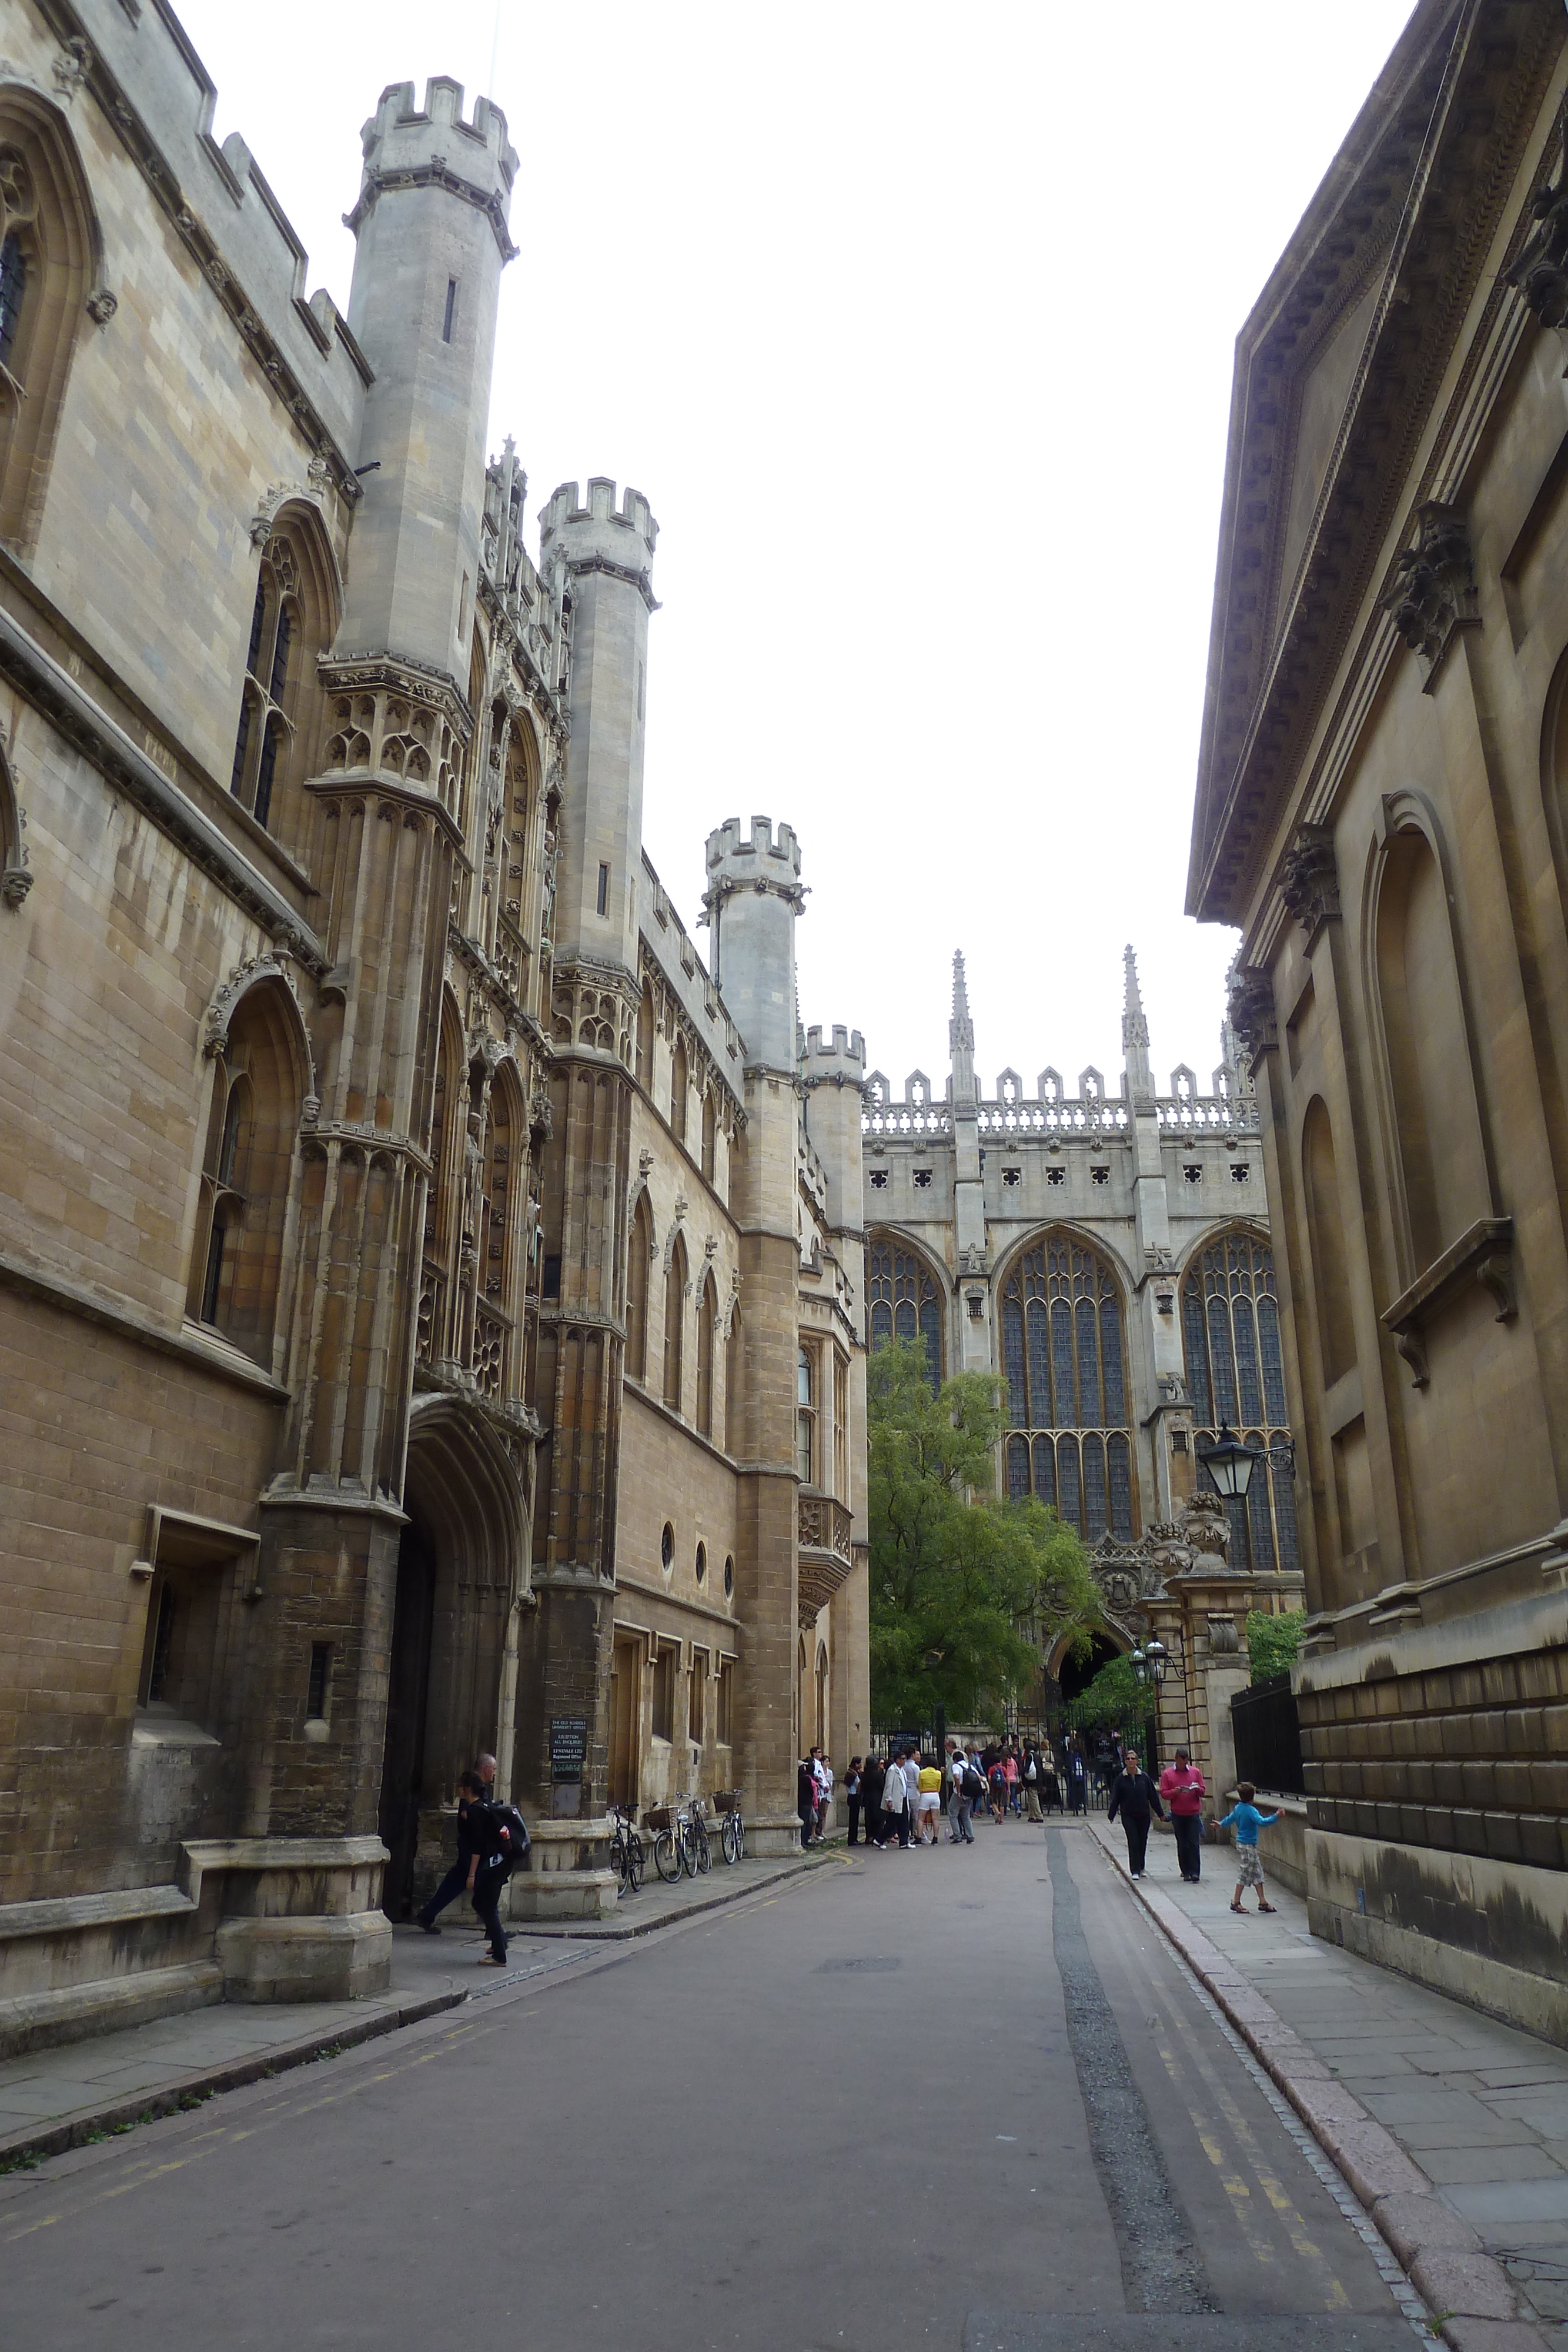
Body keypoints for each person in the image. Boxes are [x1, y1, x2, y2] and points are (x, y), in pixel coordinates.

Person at [416, 1769, 480, 1933]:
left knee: (454, 1883)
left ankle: (427, 1914)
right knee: (484, 1888)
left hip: (469, 1849)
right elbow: (468, 1819)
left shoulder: (477, 1794)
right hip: (471, 1850)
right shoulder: (472, 1796)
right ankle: (496, 1933)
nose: (495, 1773)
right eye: (493, 1769)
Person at [467, 1777, 512, 1967]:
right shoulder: (488, 1805)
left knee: (488, 1907)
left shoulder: (476, 1811)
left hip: (493, 1866)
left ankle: (500, 1955)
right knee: (480, 1903)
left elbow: (477, 1847)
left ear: (466, 1789)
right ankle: (499, 1941)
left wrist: (471, 1875)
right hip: (501, 1863)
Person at [1217, 1783, 1280, 1914]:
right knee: (1245, 1872)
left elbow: (1230, 1819)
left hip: (1244, 1844)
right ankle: (1235, 1902)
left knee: (1257, 1872)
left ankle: (1263, 1901)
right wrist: (1276, 1816)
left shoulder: (1238, 1808)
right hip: (1247, 1845)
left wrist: (1221, 1824)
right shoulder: (1251, 1810)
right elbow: (1262, 1822)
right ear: (1253, 1796)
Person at [1107, 1752, 1164, 1878]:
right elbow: (1116, 1798)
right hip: (1128, 1815)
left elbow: (1153, 1797)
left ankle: (1142, 1866)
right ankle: (1135, 1870)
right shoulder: (1121, 1779)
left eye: (1133, 1759)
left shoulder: (1144, 1778)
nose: (1131, 1761)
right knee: (1133, 1841)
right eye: (1128, 1759)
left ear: (1137, 1761)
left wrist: (1160, 1814)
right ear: (1126, 1762)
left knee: (1142, 1841)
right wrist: (1111, 1814)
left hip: (1143, 1815)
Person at [1159, 1748, 1207, 1883]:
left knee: (1194, 1843)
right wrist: (1175, 1792)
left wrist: (1197, 1789)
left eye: (1185, 1762)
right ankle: (1185, 1871)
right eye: (1181, 1762)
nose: (1183, 1764)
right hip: (1177, 1814)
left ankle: (1195, 1872)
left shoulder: (1195, 1772)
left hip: (1193, 1813)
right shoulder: (1168, 1774)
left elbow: (1203, 1790)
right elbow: (1164, 1793)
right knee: (1182, 1843)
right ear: (1176, 1759)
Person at [879, 1747, 910, 1848]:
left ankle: (904, 1842)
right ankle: (879, 1840)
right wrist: (889, 1799)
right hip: (896, 1799)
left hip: (903, 1798)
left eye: (905, 1758)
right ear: (897, 1760)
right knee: (892, 1822)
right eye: (903, 1759)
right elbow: (889, 1785)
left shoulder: (902, 1770)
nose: (904, 1760)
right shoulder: (892, 1770)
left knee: (904, 1821)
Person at [947, 1742, 975, 1845]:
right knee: (966, 1815)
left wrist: (958, 1791)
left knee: (953, 1813)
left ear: (955, 1760)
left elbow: (956, 1777)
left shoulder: (956, 1766)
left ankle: (957, 1835)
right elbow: (979, 1777)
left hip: (959, 1793)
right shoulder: (970, 1766)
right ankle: (970, 1835)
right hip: (969, 1794)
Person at [916, 1753, 942, 1845]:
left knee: (921, 1818)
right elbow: (939, 1787)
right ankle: (935, 1838)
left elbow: (920, 1786)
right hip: (935, 1794)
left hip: (925, 1795)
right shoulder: (938, 1773)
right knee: (935, 1818)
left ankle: (919, 1838)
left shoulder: (922, 1773)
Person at [862, 1751, 886, 1847]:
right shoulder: (878, 1774)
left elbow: (863, 1787)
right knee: (878, 1818)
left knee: (869, 1818)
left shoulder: (864, 1774)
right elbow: (882, 1786)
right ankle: (877, 1836)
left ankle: (869, 1837)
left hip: (867, 1798)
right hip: (877, 1797)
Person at [798, 1757, 818, 1849]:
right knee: (805, 1823)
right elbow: (811, 1790)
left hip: (804, 1802)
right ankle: (803, 1841)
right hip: (806, 1802)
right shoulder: (806, 1779)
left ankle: (804, 1840)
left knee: (806, 1823)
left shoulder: (802, 1778)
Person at [845, 1756, 865, 1846]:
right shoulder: (853, 1774)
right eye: (860, 1763)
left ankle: (853, 1838)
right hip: (854, 1797)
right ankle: (852, 1839)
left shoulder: (852, 1772)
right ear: (856, 1764)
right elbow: (858, 1785)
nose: (861, 1765)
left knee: (854, 1819)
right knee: (854, 1820)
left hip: (852, 1796)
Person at [1023, 1745, 1043, 1824]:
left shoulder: (1029, 1756)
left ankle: (1039, 1815)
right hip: (1038, 1779)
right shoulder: (1038, 1756)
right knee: (1031, 1797)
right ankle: (1031, 1815)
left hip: (1032, 1780)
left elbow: (1027, 1768)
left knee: (1034, 1797)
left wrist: (1019, 1772)